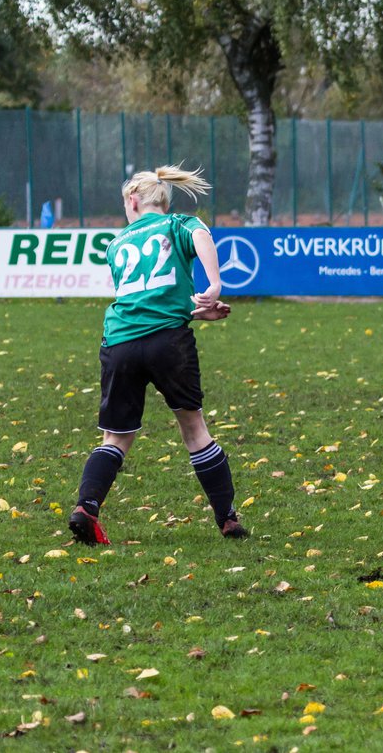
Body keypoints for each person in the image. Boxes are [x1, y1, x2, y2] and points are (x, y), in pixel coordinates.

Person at [69, 165, 245, 546]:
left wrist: (193, 311)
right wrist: (213, 284)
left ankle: (86, 507)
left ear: (133, 201)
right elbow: (200, 235)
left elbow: (142, 296)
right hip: (168, 341)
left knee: (114, 437)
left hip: (119, 342)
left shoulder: (116, 245)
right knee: (194, 428)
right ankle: (227, 518)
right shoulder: (178, 222)